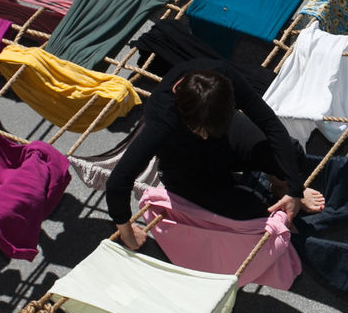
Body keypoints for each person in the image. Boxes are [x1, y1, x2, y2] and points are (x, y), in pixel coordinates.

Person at [106, 59, 324, 249]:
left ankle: (279, 186)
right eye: (200, 131)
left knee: (291, 153)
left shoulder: (220, 78)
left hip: (223, 139)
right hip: (186, 168)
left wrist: (294, 188)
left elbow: (270, 124)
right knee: (251, 213)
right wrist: (127, 234)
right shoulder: (163, 121)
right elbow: (118, 181)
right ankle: (253, 203)